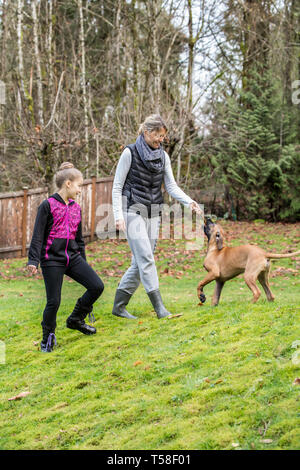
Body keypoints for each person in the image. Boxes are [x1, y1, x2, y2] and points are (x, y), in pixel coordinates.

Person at [112, 114, 202, 320]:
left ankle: (118, 306)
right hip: (131, 209)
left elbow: (170, 186)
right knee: (145, 258)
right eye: (158, 135)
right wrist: (118, 216)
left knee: (141, 261)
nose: (161, 140)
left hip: (153, 211)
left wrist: (189, 202)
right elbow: (117, 186)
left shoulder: (163, 157)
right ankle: (160, 309)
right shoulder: (130, 152)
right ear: (146, 132)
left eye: (163, 136)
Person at [27, 162, 104, 352]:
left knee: (97, 286)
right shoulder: (47, 205)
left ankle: (76, 319)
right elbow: (37, 235)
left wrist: (83, 262)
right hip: (52, 259)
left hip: (73, 257)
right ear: (68, 184)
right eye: (79, 185)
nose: (80, 190)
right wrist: (33, 260)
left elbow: (79, 239)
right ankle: (48, 337)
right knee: (54, 301)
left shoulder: (76, 208)